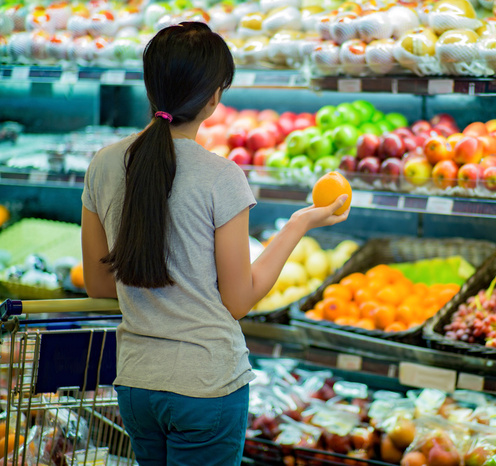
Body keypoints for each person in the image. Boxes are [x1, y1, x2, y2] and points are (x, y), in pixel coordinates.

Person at [80, 22, 348, 465]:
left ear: (151, 88)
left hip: (135, 384)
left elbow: (99, 285)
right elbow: (238, 301)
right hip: (207, 386)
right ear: (213, 99)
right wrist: (298, 224)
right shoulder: (221, 176)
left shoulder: (103, 165)